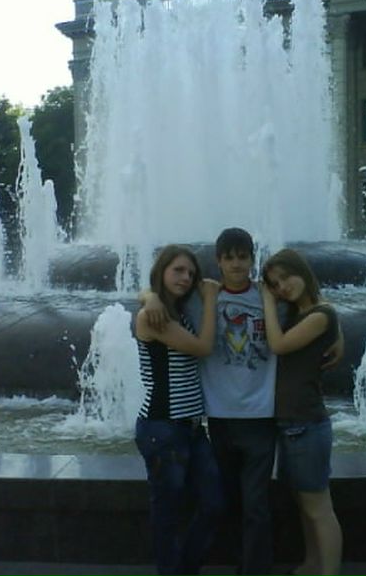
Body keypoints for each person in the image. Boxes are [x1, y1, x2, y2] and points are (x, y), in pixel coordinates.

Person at [143, 228, 343, 576]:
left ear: (252, 258)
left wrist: (337, 333)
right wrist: (150, 298)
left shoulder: (271, 298)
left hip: (260, 417)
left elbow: (313, 310)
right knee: (228, 502)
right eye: (229, 257)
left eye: (243, 257)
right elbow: (162, 293)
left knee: (256, 505)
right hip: (218, 418)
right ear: (218, 261)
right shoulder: (203, 297)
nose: (236, 264)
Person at [133, 244, 224, 576]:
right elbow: (202, 347)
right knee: (168, 514)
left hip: (191, 428)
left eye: (191, 273)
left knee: (214, 503)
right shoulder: (153, 316)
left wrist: (149, 296)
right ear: (162, 271)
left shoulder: (175, 311)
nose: (185, 278)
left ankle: (184, 569)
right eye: (178, 270)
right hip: (162, 428)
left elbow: (144, 293)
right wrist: (210, 299)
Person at [260, 248, 343, 576]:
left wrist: (268, 302)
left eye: (286, 277)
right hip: (290, 424)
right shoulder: (303, 313)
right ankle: (311, 564)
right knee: (304, 504)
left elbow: (279, 345)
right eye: (274, 284)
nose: (282, 287)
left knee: (319, 507)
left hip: (307, 424)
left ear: (302, 271)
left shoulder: (319, 315)